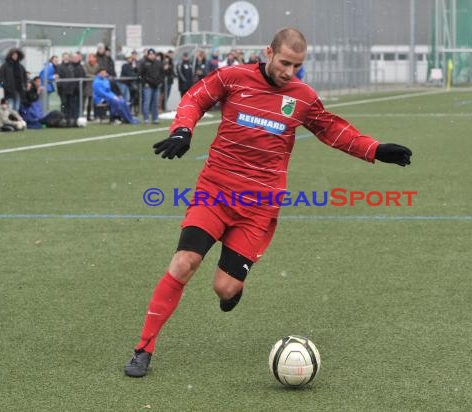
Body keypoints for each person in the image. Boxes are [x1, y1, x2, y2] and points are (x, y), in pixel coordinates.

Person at [123, 28, 412, 378]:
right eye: (285, 62)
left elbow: (332, 130)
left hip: (259, 206)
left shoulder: (302, 97)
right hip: (215, 191)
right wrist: (183, 129)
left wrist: (375, 149)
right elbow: (195, 97)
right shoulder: (233, 78)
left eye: (297, 65)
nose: (289, 72)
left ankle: (233, 288)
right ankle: (144, 349)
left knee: (224, 288)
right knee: (184, 263)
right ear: (269, 53)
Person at [138, 48, 164, 124]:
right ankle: (146, 118)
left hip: (156, 85)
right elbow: (140, 74)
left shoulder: (158, 63)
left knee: (155, 102)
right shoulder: (143, 63)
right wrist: (144, 82)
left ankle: (155, 118)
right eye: (150, 54)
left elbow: (162, 73)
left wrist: (160, 82)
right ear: (148, 55)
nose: (152, 56)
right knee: (147, 102)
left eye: (153, 54)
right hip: (148, 85)